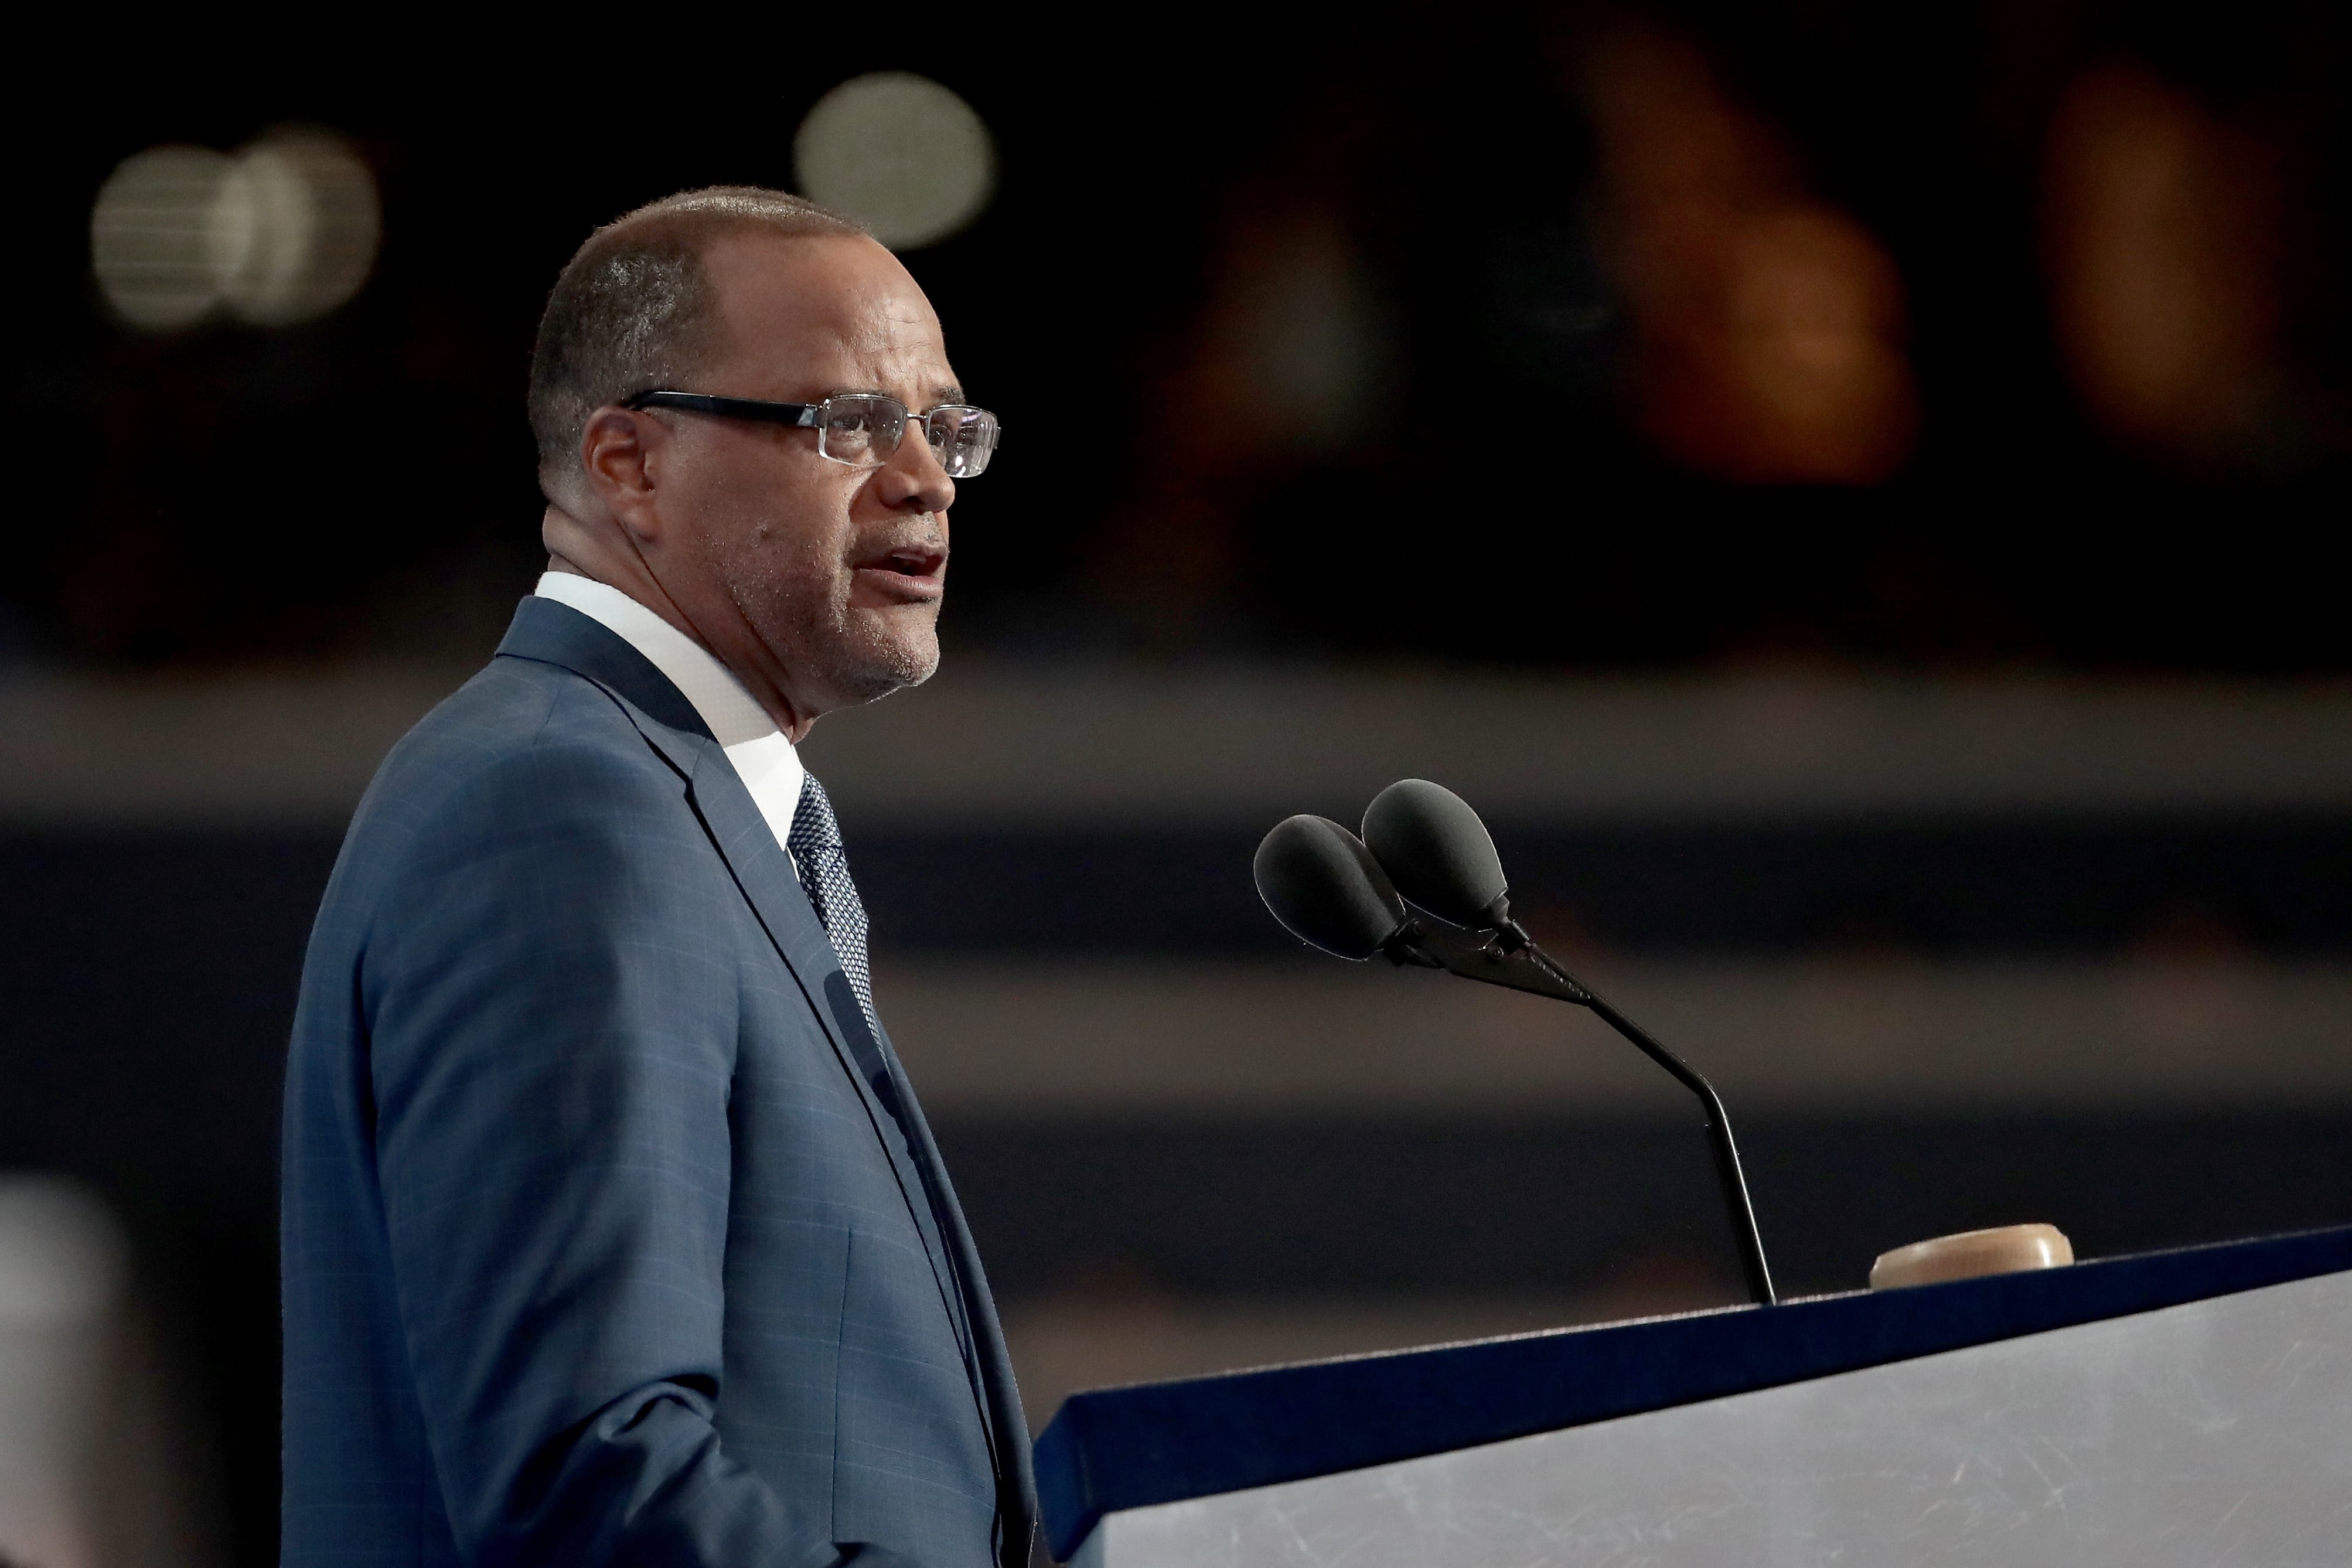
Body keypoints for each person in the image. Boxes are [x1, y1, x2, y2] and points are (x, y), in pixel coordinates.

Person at [279, 187, 1032, 1568]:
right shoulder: (562, 811)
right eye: (850, 423)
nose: (924, 477)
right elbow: (585, 1482)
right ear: (629, 462)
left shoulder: (681, 808)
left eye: (946, 427)